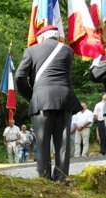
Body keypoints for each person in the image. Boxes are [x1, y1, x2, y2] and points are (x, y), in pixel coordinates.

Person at [15, 25, 80, 181]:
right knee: (63, 143)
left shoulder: (31, 50)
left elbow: (19, 77)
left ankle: (44, 179)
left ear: (41, 38)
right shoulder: (67, 50)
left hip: (41, 100)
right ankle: (61, 179)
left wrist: (31, 95)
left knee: (43, 142)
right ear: (56, 36)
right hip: (65, 99)